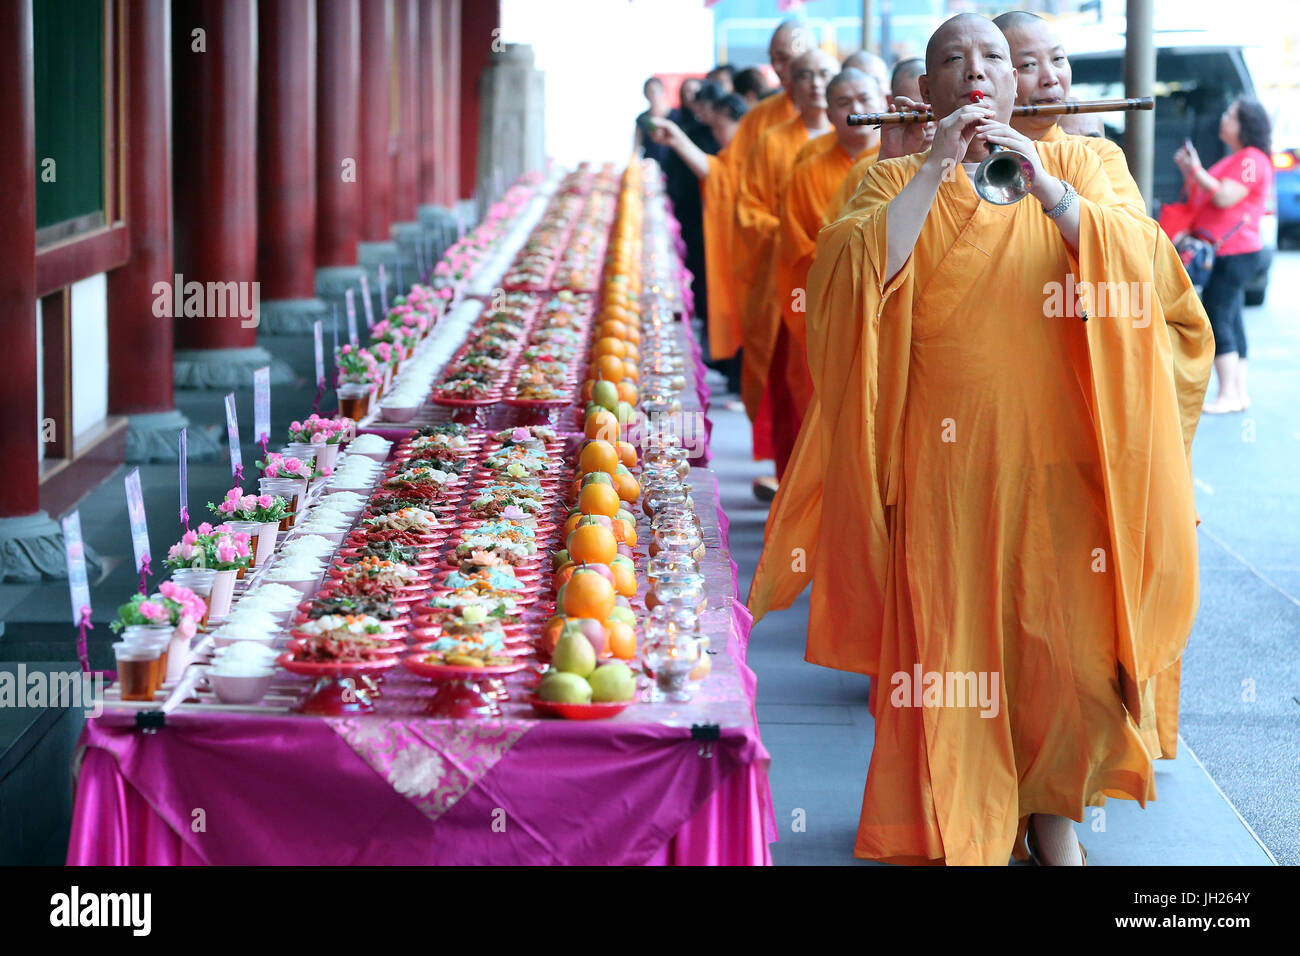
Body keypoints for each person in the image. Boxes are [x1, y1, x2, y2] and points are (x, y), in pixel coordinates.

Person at [747, 13, 1214, 866]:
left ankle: (1051, 812)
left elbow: (1148, 273)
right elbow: (845, 282)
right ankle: (968, 815)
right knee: (953, 657)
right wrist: (931, 167)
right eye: (951, 60)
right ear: (925, 90)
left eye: (992, 56)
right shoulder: (887, 179)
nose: (975, 70)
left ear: (1013, 81)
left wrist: (1049, 189)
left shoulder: (1084, 161)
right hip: (943, 466)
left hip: (1063, 457)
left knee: (1066, 654)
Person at [770, 69, 886, 480]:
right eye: (844, 103)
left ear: (885, 99)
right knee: (819, 408)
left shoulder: (910, 164)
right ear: (831, 113)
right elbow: (799, 247)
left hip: (887, 311)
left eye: (864, 98)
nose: (857, 109)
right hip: (827, 309)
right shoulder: (808, 171)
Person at [735, 47, 838, 498]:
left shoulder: (870, 142)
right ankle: (792, 481)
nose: (815, 83)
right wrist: (796, 235)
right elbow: (748, 212)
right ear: (789, 83)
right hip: (790, 281)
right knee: (790, 385)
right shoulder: (772, 141)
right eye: (805, 75)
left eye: (824, 74)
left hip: (846, 281)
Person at [1175, 97, 1273, 413]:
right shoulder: (1237, 159)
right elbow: (1207, 194)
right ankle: (1237, 392)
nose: (1224, 117)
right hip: (1227, 250)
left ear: (1246, 125)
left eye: (1231, 115)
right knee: (1230, 316)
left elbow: (1225, 197)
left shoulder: (1250, 159)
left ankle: (1228, 395)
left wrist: (1197, 169)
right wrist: (1190, 170)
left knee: (1218, 315)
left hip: (1234, 251)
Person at [994, 11, 1145, 215]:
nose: (1051, 78)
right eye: (1029, 65)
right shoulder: (963, 153)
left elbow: (1132, 242)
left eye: (1057, 59)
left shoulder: (1098, 154)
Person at [824, 57, 931, 225]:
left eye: (934, 107)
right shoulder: (868, 170)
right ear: (891, 104)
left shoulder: (974, 161)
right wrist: (890, 160)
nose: (926, 120)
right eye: (914, 110)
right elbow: (842, 244)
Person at [635, 77, 672, 166]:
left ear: (663, 91)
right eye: (649, 91)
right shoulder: (642, 118)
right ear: (645, 94)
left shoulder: (676, 115)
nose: (653, 94)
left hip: (673, 165)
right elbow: (636, 147)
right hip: (650, 165)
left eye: (656, 90)